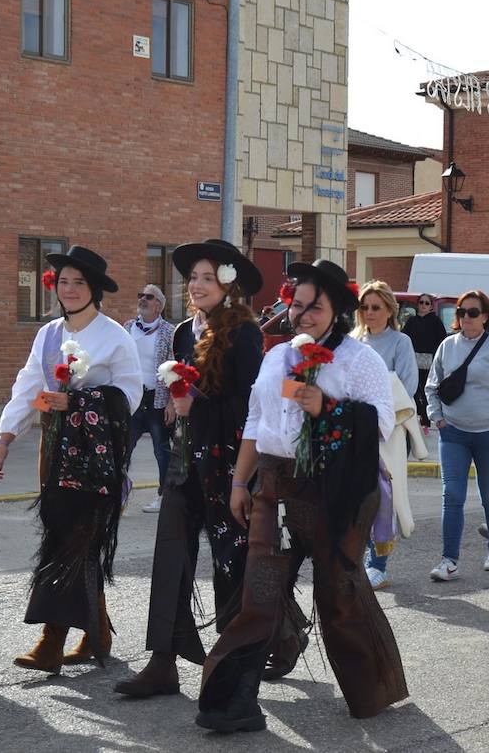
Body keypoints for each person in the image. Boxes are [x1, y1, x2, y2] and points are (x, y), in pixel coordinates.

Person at [195, 258, 406, 733]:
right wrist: (239, 482)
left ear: (337, 310)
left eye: (315, 306)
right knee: (259, 589)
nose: (303, 314)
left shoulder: (359, 359)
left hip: (336, 489)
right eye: (297, 304)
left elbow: (383, 424)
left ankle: (372, 688)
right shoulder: (276, 357)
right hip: (273, 481)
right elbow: (257, 422)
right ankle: (231, 701)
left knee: (338, 594)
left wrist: (327, 408)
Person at [116, 240, 308, 698]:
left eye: (207, 278)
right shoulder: (184, 331)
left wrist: (196, 405)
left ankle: (258, 644)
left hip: (228, 466)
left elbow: (251, 405)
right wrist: (180, 408)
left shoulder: (243, 332)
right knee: (170, 557)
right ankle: (163, 661)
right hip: (185, 462)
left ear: (226, 284)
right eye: (193, 279)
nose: (197, 286)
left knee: (232, 565)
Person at [0, 246, 142, 674]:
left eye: (79, 282)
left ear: (94, 289)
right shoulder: (48, 334)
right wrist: (5, 437)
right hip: (54, 449)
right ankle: (98, 632)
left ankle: (51, 639)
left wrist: (77, 401)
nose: (70, 289)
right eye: (63, 282)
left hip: (95, 454)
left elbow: (131, 396)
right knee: (66, 535)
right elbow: (30, 386)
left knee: (75, 540)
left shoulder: (115, 336)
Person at [426, 289, 489, 580]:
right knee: (452, 495)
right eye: (461, 312)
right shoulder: (447, 346)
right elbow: (432, 386)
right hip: (453, 432)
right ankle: (449, 560)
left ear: (485, 316)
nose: (466, 317)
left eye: (473, 312)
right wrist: (438, 418)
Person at [354, 280, 419, 591]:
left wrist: (377, 413)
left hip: (388, 432)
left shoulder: (400, 342)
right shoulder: (353, 341)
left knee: (382, 498)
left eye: (376, 307)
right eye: (365, 307)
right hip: (354, 431)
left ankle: (378, 563)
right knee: (358, 497)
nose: (370, 312)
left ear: (390, 309)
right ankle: (361, 557)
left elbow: (407, 386)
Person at [125, 284, 176, 513]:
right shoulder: (128, 328)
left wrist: (171, 402)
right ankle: (120, 491)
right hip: (133, 398)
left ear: (159, 305)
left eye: (149, 297)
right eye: (141, 295)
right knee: (123, 447)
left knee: (162, 450)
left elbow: (175, 368)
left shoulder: (168, 331)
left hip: (157, 399)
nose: (143, 300)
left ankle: (163, 495)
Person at [402, 292, 446, 430]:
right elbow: (404, 338)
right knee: (415, 388)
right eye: (421, 302)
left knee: (426, 388)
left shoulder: (436, 321)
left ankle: (426, 418)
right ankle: (419, 414)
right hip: (413, 358)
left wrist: (435, 357)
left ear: (431, 306)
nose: (423, 305)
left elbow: (441, 339)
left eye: (427, 303)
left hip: (429, 360)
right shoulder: (411, 321)